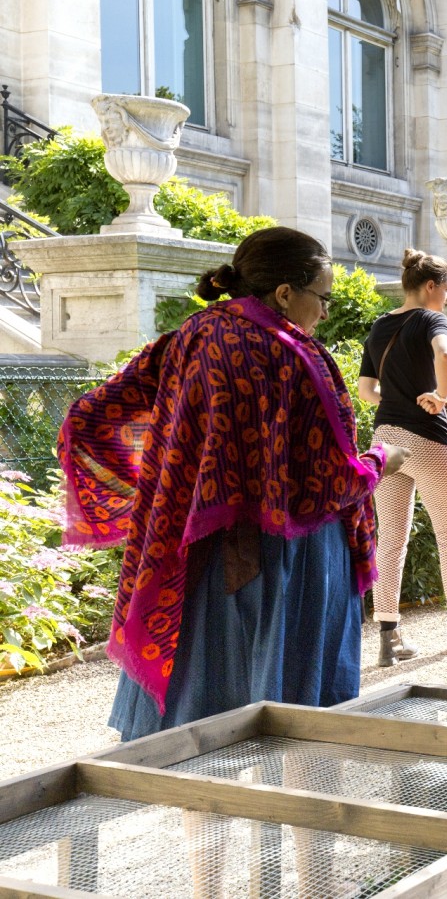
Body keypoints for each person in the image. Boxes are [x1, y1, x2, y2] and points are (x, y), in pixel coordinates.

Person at [61, 227, 401, 741]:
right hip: (292, 556)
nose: (326, 312)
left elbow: (87, 417)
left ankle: (206, 815)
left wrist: (163, 489)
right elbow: (328, 478)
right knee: (297, 716)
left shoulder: (192, 335)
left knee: (201, 713)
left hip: (202, 551)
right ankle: (300, 817)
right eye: (323, 297)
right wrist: (381, 460)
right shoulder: (296, 354)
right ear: (286, 292)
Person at [358, 249, 447, 666]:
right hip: (427, 438)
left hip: (387, 439)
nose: (446, 298)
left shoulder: (379, 326)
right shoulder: (431, 319)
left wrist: (392, 402)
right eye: (446, 289)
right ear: (430, 287)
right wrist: (439, 397)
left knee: (390, 539)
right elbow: (445, 355)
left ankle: (388, 639)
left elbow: (365, 390)